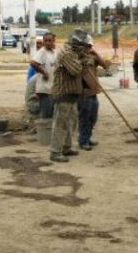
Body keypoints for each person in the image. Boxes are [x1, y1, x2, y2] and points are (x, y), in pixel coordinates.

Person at [48, 30, 86, 163]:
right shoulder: (67, 53)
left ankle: (66, 147)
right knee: (61, 123)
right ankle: (55, 151)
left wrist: (81, 57)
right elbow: (75, 70)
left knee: (71, 123)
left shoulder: (74, 53)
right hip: (63, 93)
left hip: (72, 93)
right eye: (82, 45)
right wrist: (83, 60)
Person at [78, 34, 107, 151]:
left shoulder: (92, 57)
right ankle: (83, 141)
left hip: (94, 92)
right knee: (84, 118)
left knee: (93, 118)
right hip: (84, 93)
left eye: (90, 46)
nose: (88, 48)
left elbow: (105, 66)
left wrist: (95, 54)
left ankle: (88, 138)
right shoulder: (78, 58)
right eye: (87, 46)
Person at [30, 33, 58, 120]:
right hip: (45, 90)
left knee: (53, 114)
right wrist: (44, 73)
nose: (47, 43)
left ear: (54, 41)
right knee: (47, 115)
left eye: (50, 41)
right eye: (45, 41)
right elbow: (33, 63)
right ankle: (45, 132)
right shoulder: (42, 52)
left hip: (53, 88)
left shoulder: (54, 52)